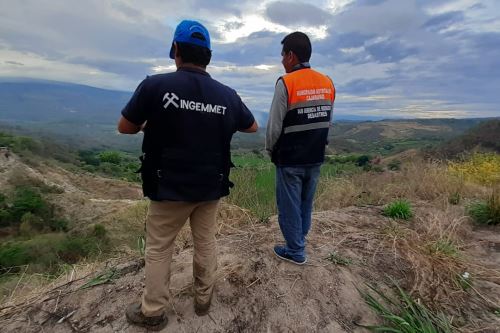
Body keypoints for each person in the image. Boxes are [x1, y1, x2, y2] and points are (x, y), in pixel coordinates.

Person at [118, 20, 258, 331]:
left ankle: (153, 312)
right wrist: (216, 118)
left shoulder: (155, 86)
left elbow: (124, 126)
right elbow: (252, 126)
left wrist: (150, 124)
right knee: (205, 242)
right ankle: (203, 300)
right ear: (209, 55)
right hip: (210, 185)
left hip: (168, 185)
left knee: (158, 248)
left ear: (176, 50)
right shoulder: (227, 94)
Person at [266, 31, 335, 265]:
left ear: (291, 56)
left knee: (289, 206)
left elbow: (274, 125)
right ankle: (300, 239)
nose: (281, 59)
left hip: (290, 158)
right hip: (315, 155)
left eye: (282, 54)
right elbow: (328, 120)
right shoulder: (327, 82)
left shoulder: (286, 82)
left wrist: (270, 150)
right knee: (306, 202)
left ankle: (295, 250)